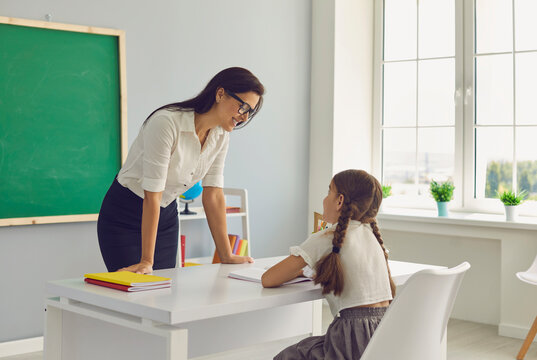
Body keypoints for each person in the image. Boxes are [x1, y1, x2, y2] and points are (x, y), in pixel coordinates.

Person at [97, 67, 264, 274]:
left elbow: (213, 194)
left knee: (165, 291)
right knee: (135, 292)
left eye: (250, 111)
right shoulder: (166, 123)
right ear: (220, 94)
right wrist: (147, 260)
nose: (245, 117)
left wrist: (226, 254)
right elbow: (152, 194)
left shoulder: (221, 135)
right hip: (126, 214)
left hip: (166, 214)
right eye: (243, 107)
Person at [262, 169, 396, 360]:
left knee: (286, 357)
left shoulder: (327, 237)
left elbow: (268, 279)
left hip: (350, 339)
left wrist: (296, 271)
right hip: (384, 335)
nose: (324, 199)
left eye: (328, 192)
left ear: (339, 201)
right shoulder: (373, 236)